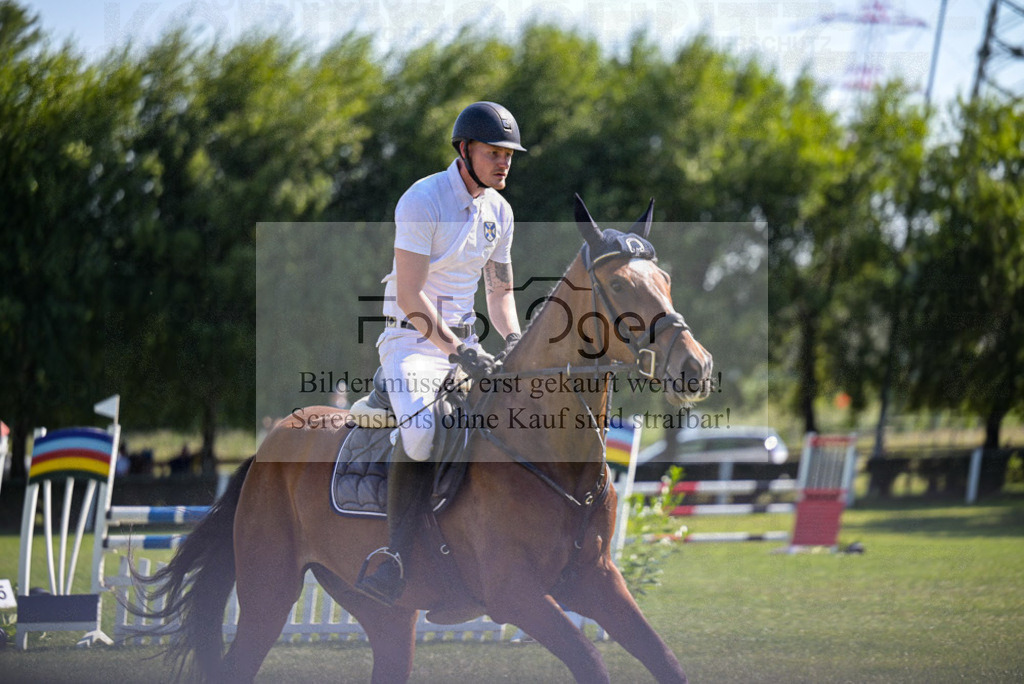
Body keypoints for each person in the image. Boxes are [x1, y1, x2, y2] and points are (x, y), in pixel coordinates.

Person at [354, 101, 526, 605]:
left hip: (467, 344)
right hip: (409, 341)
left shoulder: (501, 212)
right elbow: (410, 297)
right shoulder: (422, 199)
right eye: (494, 153)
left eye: (509, 155)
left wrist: (512, 340)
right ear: (464, 149)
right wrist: (457, 350)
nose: (503, 163)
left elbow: (499, 292)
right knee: (425, 430)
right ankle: (396, 556)